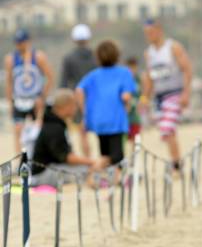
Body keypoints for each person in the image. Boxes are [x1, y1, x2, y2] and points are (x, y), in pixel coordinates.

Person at [141, 19, 193, 170]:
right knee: (167, 132)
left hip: (175, 93)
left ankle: (175, 164)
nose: (149, 36)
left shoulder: (173, 47)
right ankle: (177, 162)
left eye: (151, 32)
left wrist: (186, 93)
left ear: (159, 30)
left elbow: (187, 69)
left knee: (167, 128)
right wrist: (145, 98)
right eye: (146, 33)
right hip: (159, 96)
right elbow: (150, 79)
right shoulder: (149, 53)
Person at [77, 40, 136, 170]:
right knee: (116, 155)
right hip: (116, 119)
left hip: (97, 119)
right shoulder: (124, 72)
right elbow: (126, 96)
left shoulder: (93, 75)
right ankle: (94, 168)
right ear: (117, 55)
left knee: (104, 150)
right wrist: (127, 104)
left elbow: (79, 90)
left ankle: (112, 179)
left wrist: (84, 110)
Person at [31, 89, 102, 187]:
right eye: (74, 105)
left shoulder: (56, 123)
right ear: (65, 106)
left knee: (87, 168)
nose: (76, 108)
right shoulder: (54, 127)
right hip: (43, 174)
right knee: (87, 170)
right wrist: (91, 161)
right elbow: (66, 157)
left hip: (52, 168)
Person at [4, 28, 54, 155]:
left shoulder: (38, 57)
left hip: (35, 100)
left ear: (28, 41)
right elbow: (9, 82)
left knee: (38, 130)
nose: (20, 45)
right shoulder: (11, 59)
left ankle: (38, 158)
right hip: (19, 100)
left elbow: (50, 77)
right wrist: (10, 102)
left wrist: (42, 96)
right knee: (18, 130)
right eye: (18, 42)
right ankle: (20, 160)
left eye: (23, 42)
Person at [60, 23, 97, 157]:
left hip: (77, 100)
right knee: (101, 134)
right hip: (96, 98)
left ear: (74, 39)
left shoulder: (69, 58)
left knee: (83, 133)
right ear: (88, 38)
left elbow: (63, 83)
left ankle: (88, 163)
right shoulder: (96, 56)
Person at [125, 56, 143, 144]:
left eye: (133, 67)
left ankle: (134, 156)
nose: (131, 70)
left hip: (135, 115)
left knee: (135, 138)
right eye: (129, 67)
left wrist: (142, 102)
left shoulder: (138, 79)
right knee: (124, 138)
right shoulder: (123, 79)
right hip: (125, 116)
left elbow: (142, 94)